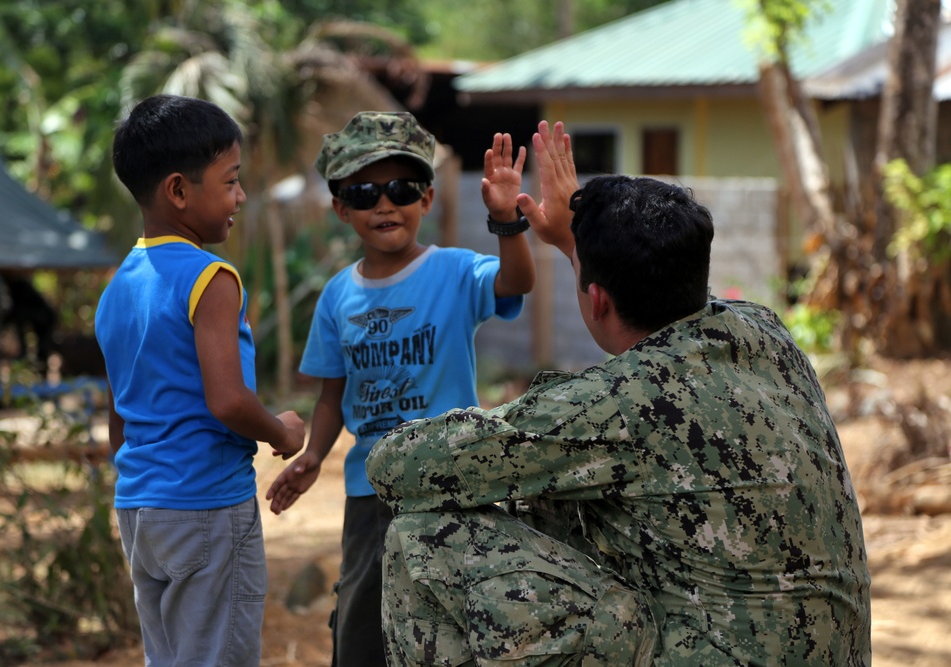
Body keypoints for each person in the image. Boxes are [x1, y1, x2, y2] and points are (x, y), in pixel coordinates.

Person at [365, 121, 872, 666]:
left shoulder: (625, 402)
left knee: (422, 536)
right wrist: (569, 238)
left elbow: (395, 467)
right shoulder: (764, 332)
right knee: (564, 503)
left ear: (599, 299)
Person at [266, 110, 536, 666]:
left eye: (401, 188)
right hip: (371, 493)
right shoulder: (337, 297)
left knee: (456, 622)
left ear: (427, 199)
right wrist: (314, 455)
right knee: (363, 619)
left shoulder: (457, 272)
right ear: (342, 208)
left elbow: (517, 281)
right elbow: (331, 395)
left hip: (451, 487)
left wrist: (507, 220)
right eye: (364, 192)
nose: (384, 204)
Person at [95, 94, 306, 667]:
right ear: (179, 191)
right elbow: (229, 400)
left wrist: (143, 477)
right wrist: (281, 432)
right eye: (231, 181)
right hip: (207, 507)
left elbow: (120, 415)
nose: (240, 197)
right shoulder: (211, 278)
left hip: (142, 509)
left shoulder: (119, 287)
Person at [2, 270, 57, 373]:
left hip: (44, 320)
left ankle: (40, 371)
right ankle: (25, 365)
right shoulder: (15, 292)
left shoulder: (20, 288)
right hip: (34, 318)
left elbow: (18, 313)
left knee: (43, 349)